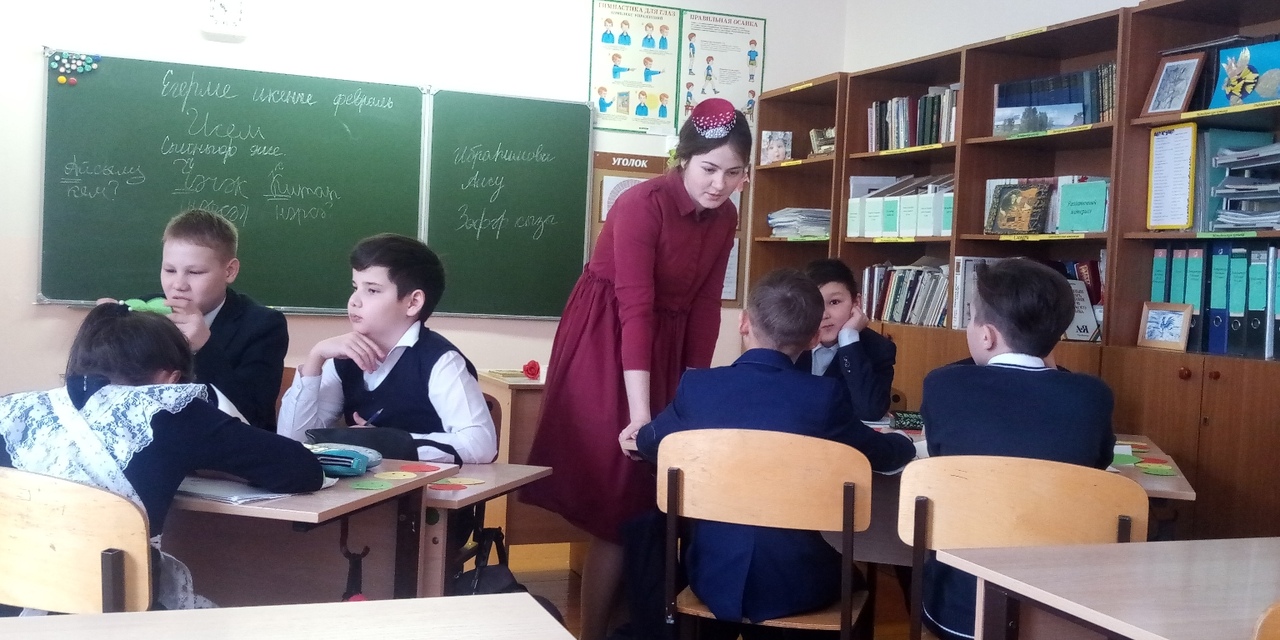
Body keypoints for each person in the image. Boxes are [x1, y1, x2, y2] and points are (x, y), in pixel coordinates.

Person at [522, 98, 750, 640]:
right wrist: (643, 415)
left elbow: (705, 309)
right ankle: (593, 632)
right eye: (709, 168)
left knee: (656, 495)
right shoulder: (640, 203)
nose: (720, 184)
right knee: (620, 496)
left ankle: (634, 626)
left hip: (666, 344)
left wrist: (692, 399)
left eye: (735, 173)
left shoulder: (726, 217)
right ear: (683, 158)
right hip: (608, 340)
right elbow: (635, 308)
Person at [635, 269, 916, 633]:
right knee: (857, 583)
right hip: (798, 583)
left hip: (711, 575)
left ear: (744, 323)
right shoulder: (823, 398)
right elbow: (884, 456)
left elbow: (649, 443)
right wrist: (903, 441)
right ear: (813, 337)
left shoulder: (698, 387)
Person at [0, 303, 323, 611]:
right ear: (171, 378)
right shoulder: (168, 407)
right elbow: (302, 470)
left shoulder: (14, 408)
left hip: (13, 606)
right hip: (110, 609)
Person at [918, 258, 1116, 640]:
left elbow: (942, 456)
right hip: (1065, 613)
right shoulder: (1093, 396)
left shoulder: (943, 385)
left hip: (960, 610)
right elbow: (1099, 463)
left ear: (987, 336)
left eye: (970, 318)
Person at [277, 234, 496, 465]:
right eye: (355, 287)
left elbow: (481, 445)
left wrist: (385, 442)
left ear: (413, 303)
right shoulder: (344, 357)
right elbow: (292, 442)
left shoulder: (440, 361)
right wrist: (316, 358)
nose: (354, 301)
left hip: (432, 485)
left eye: (372, 290)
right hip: (367, 485)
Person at [142, 209, 290, 431]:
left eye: (195, 272)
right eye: (170, 270)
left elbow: (253, 415)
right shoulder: (144, 314)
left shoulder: (263, 325)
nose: (178, 284)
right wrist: (102, 330)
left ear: (230, 271)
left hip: (227, 447)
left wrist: (205, 346)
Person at [796, 259, 895, 422]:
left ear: (856, 303)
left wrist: (849, 340)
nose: (824, 314)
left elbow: (870, 411)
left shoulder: (878, 348)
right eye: (815, 303)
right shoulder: (790, 341)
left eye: (834, 302)